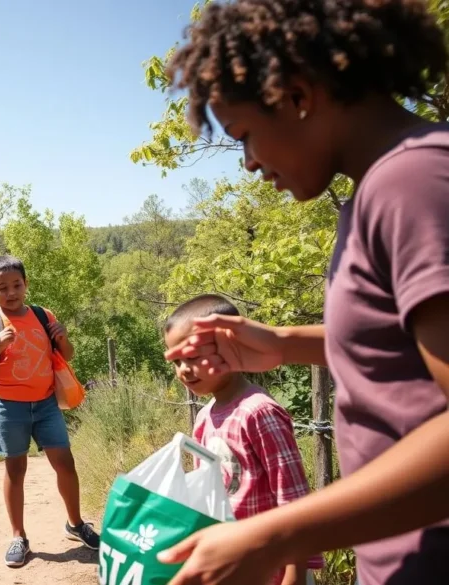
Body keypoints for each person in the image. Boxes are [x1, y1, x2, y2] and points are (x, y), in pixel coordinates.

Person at [159, 1, 449, 584]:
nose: (246, 164)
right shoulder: (374, 194)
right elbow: (400, 346)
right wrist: (285, 344)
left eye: (244, 135)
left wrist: (275, 534)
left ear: (297, 95)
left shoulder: (413, 184)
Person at [164, 294, 323, 585]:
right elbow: (209, 495)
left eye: (194, 357)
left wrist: (296, 574)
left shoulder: (258, 413)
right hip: (234, 565)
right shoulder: (204, 418)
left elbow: (292, 497)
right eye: (176, 360)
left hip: (274, 567)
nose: (184, 370)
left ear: (228, 345)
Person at [0, 255, 99, 568]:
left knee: (65, 463)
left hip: (47, 403)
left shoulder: (42, 314)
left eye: (17, 285)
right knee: (16, 470)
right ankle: (18, 536)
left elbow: (67, 354)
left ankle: (76, 524)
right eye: (3, 288)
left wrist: (63, 338)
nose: (11, 292)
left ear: (26, 285)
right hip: (8, 407)